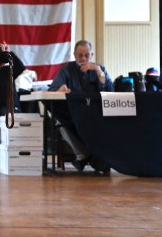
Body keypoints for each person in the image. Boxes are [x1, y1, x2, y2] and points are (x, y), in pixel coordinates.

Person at [47, 40, 113, 171]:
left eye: (87, 55)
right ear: (74, 55)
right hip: (74, 112)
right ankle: (87, 156)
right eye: (80, 55)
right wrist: (60, 89)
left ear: (92, 55)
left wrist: (98, 71)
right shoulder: (66, 70)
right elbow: (52, 90)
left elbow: (110, 90)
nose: (83, 58)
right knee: (60, 120)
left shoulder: (99, 69)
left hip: (96, 113)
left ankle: (87, 157)